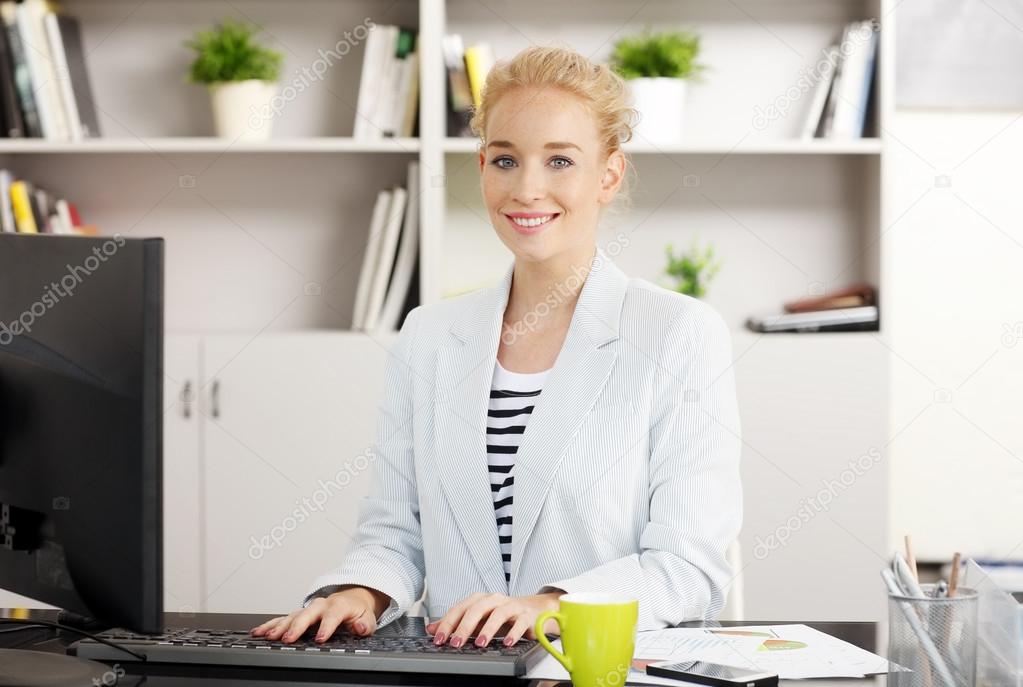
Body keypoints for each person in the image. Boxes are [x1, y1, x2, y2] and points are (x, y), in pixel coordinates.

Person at [251, 44, 742, 650]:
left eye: (560, 160)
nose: (528, 189)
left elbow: (688, 565)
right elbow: (395, 535)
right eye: (506, 161)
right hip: (457, 671)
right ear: (482, 167)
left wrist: (549, 606)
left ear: (608, 174)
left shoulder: (677, 333)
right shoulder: (428, 337)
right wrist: (359, 592)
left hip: (599, 669)